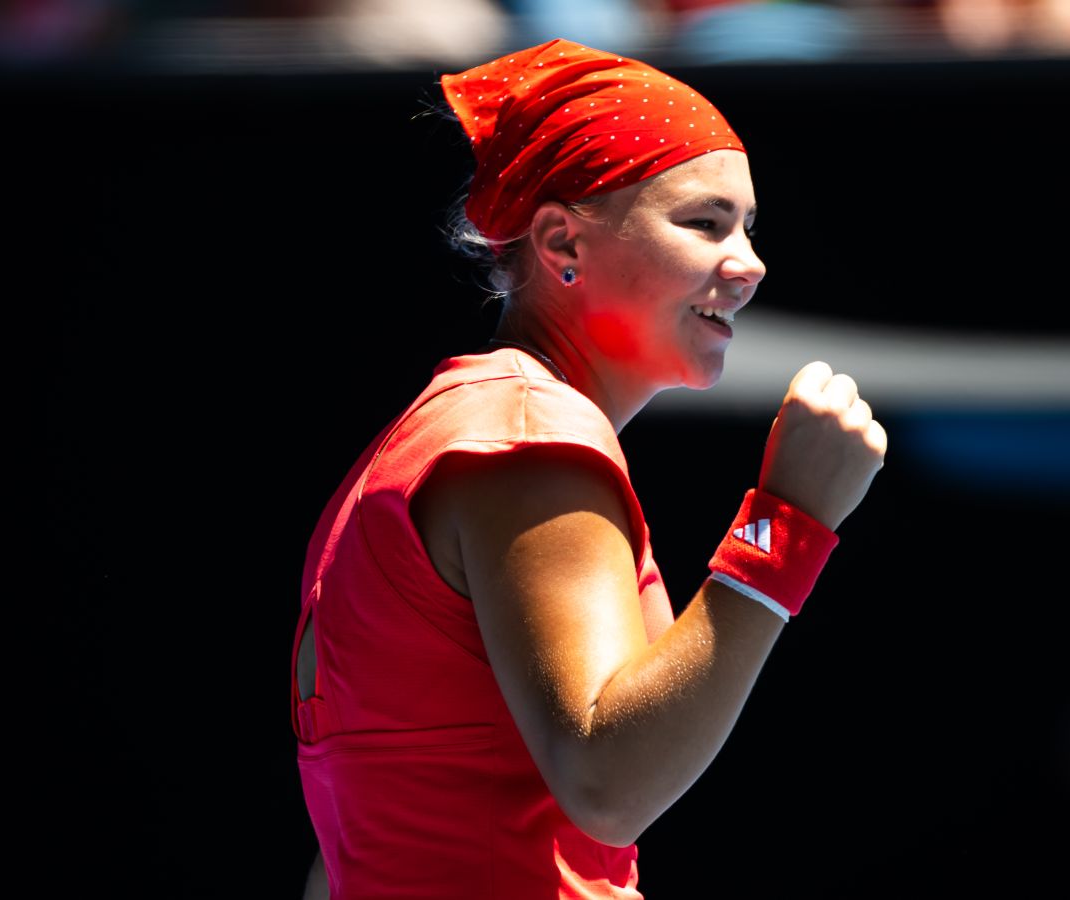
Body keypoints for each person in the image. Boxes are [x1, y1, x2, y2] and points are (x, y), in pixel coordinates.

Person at [291, 37, 888, 900]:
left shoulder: (464, 426)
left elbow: (341, 862)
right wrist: (787, 525)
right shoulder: (529, 437)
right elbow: (609, 788)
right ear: (561, 240)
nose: (750, 264)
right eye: (705, 222)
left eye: (748, 227)